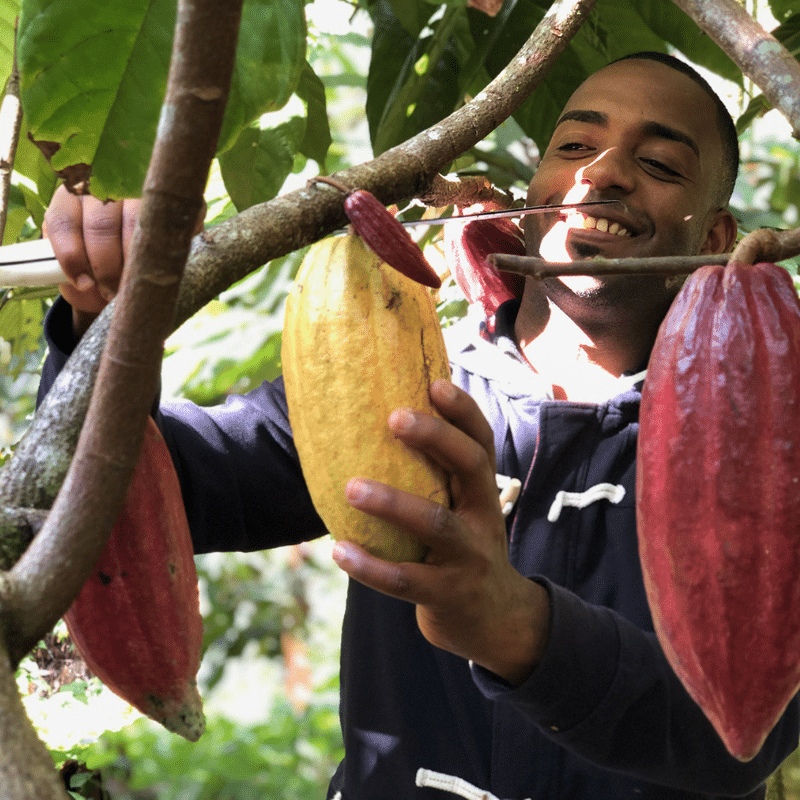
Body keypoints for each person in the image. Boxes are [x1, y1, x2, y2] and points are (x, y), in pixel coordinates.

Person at [38, 51, 799, 798]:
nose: (602, 172)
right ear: (532, 191)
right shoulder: (400, 385)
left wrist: (516, 628)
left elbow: (747, 735)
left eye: (661, 164)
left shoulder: (762, 446)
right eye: (573, 145)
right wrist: (103, 328)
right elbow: (145, 490)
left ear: (715, 239)